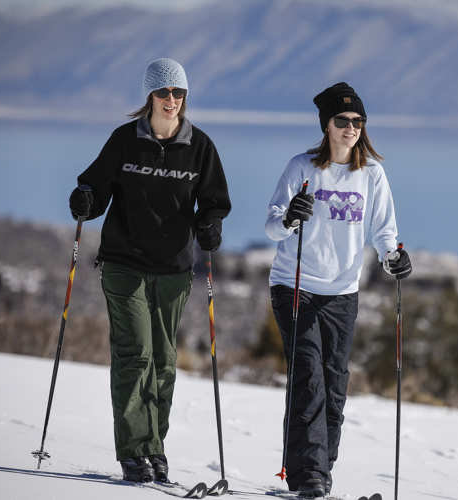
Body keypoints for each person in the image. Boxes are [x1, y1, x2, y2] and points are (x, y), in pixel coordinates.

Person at [68, 58, 231, 483]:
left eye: (178, 93)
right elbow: (95, 189)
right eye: (164, 93)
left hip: (174, 269)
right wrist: (83, 200)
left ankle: (155, 448)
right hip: (125, 264)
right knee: (134, 354)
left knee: (163, 361)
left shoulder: (200, 146)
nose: (171, 101)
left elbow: (214, 200)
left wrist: (210, 225)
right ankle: (132, 452)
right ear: (150, 97)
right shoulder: (125, 141)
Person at [265, 82, 412, 498]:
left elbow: (384, 230)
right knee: (309, 377)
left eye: (358, 121)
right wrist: (292, 216)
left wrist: (393, 258)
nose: (351, 128)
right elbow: (272, 224)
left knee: (334, 382)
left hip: (343, 292)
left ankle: (318, 470)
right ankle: (308, 475)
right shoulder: (302, 168)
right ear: (326, 125)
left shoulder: (371, 174)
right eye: (343, 120)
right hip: (295, 285)